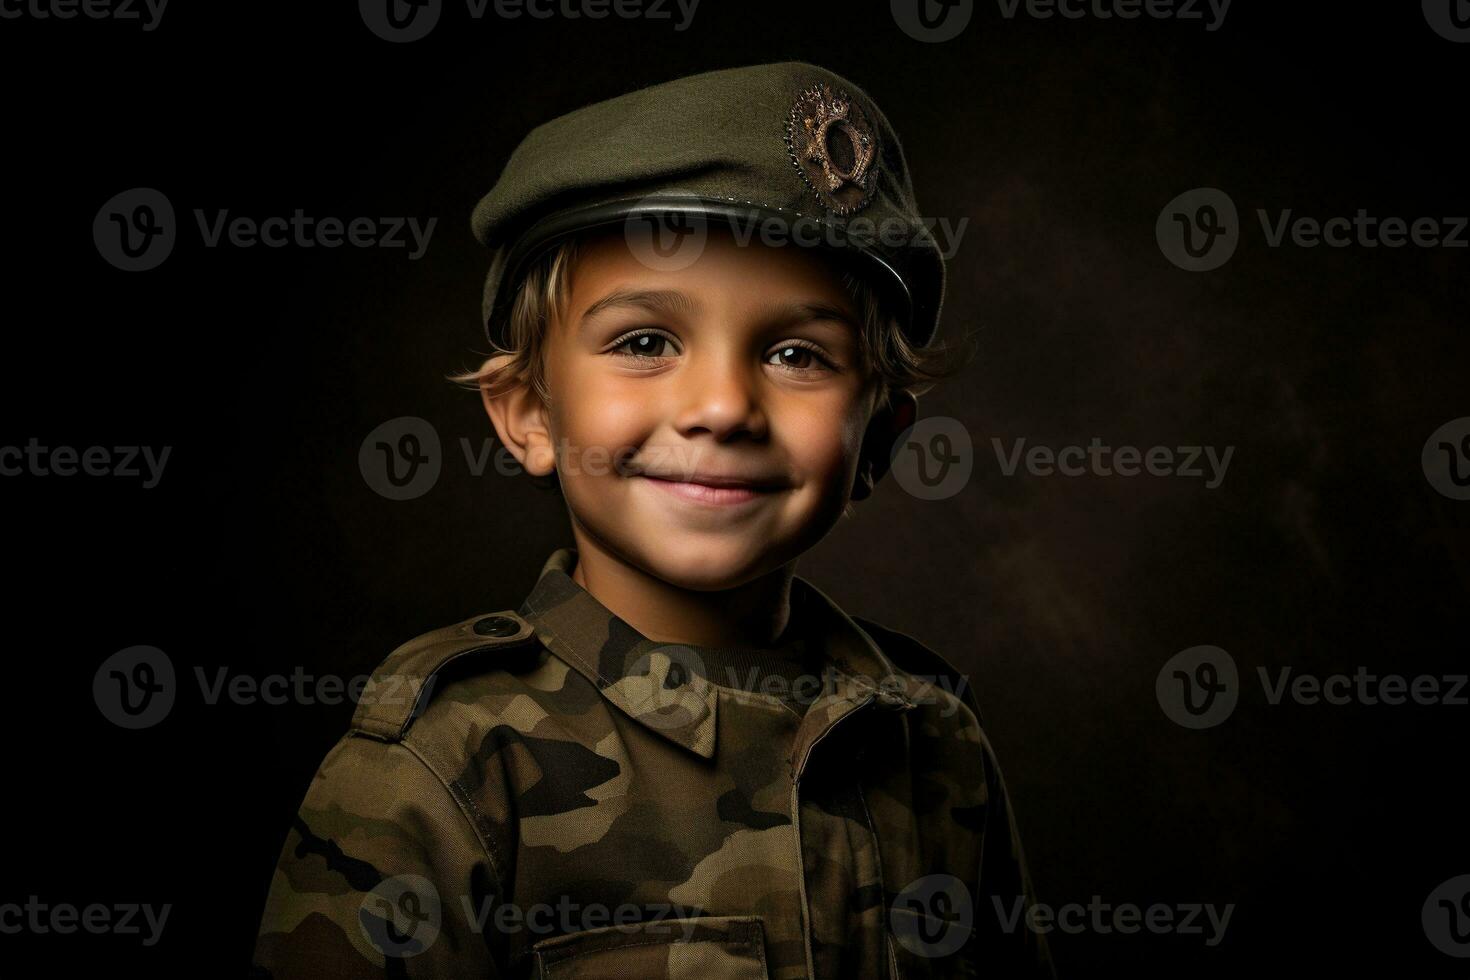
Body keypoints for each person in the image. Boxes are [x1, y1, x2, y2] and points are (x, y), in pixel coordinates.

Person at [252, 61, 1054, 979]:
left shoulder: (931, 737)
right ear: (527, 413)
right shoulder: (443, 766)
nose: (721, 406)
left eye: (798, 353)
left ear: (879, 438)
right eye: (644, 343)